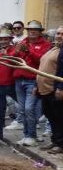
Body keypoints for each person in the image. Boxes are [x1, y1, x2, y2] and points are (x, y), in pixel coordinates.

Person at [13, 21, 52, 147]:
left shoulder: (46, 44)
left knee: (29, 109)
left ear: (40, 32)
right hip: (19, 79)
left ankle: (32, 135)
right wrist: (16, 52)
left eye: (35, 30)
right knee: (22, 109)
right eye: (30, 30)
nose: (32, 32)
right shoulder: (22, 42)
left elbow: (41, 61)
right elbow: (14, 58)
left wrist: (28, 51)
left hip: (33, 80)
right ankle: (27, 135)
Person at [35, 25, 63, 155]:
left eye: (62, 34)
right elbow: (42, 68)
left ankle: (60, 144)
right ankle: (55, 140)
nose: (59, 36)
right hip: (45, 89)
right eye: (58, 33)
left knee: (59, 117)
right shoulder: (54, 48)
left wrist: (60, 88)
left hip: (55, 90)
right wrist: (37, 86)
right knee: (51, 116)